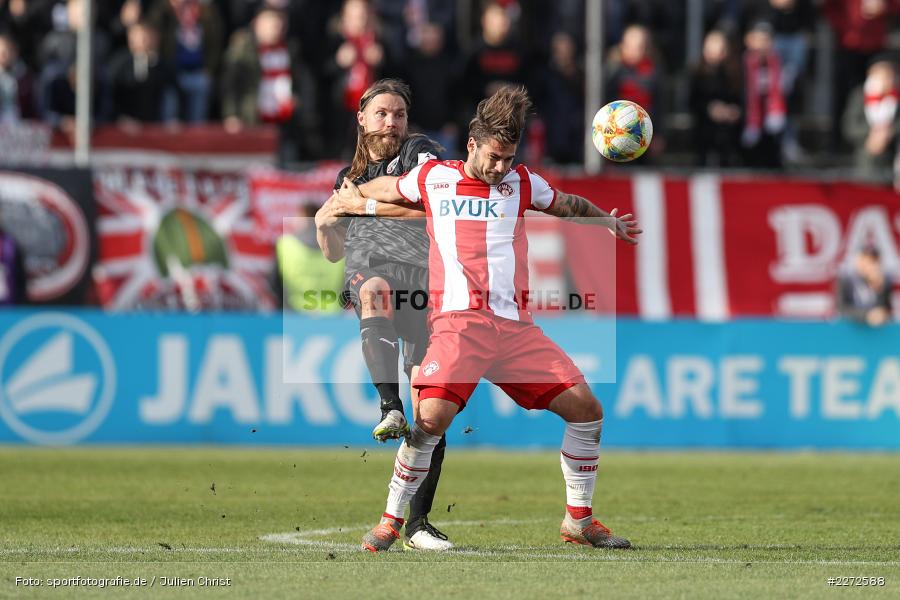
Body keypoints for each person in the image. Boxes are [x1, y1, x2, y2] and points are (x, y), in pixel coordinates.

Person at [339, 86, 641, 552]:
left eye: (509, 158)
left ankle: (579, 521)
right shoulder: (434, 178)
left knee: (587, 410)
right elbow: (384, 188)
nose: (501, 168)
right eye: (494, 157)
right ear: (472, 146)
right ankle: (391, 522)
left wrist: (607, 222)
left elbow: (564, 203)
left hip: (516, 330)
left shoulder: (521, 182)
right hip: (459, 325)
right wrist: (355, 198)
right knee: (430, 418)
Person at [314, 78, 452, 551]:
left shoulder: (420, 152)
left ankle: (418, 524)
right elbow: (334, 253)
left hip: (423, 281)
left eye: (398, 114)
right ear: (362, 118)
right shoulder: (345, 177)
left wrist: (365, 204)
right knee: (372, 290)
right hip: (372, 272)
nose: (391, 122)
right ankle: (388, 406)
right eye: (382, 114)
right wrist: (324, 223)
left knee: (431, 413)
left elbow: (435, 210)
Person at [273, 203, 345, 313]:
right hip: (332, 317)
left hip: (293, 315)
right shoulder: (341, 246)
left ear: (302, 218)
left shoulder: (284, 244)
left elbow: (275, 284)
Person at [842, 59, 900, 183]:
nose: (888, 81)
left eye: (891, 76)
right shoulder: (859, 95)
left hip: (890, 157)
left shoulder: (897, 98)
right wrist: (871, 134)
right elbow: (849, 126)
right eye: (884, 76)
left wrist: (888, 133)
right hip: (865, 157)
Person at [836, 245, 893, 326]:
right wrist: (866, 315)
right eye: (865, 258)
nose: (868, 263)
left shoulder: (884, 280)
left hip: (876, 331)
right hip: (850, 329)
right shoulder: (846, 279)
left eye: (873, 260)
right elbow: (841, 308)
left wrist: (878, 288)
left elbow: (886, 309)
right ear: (858, 260)